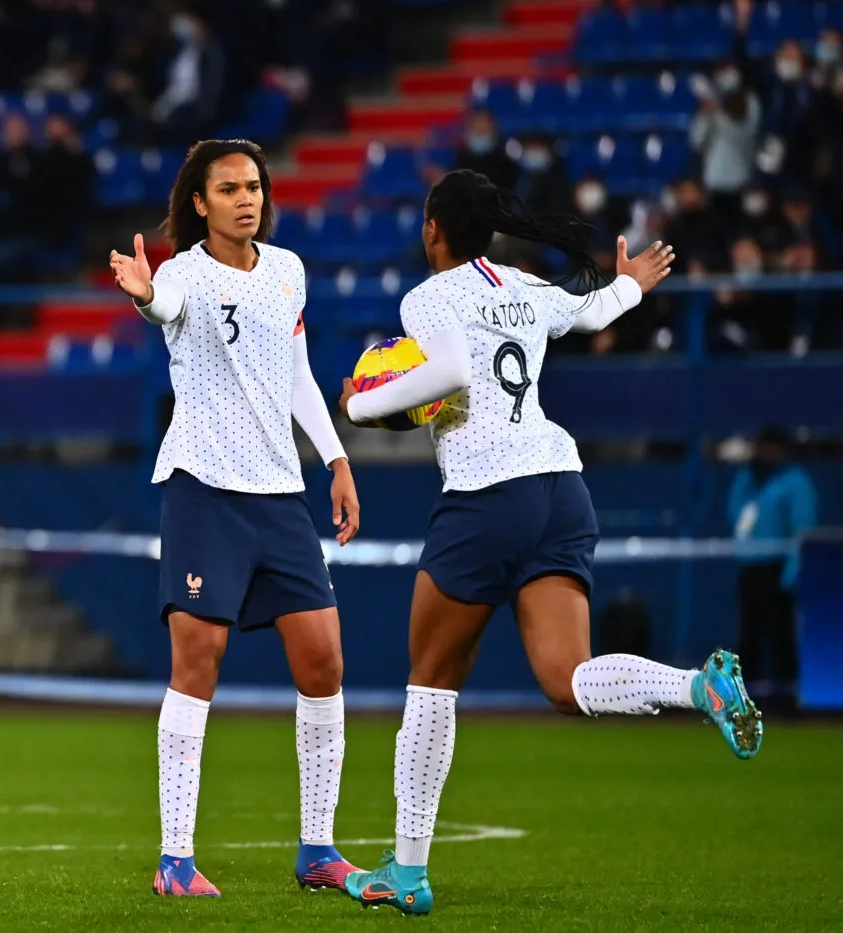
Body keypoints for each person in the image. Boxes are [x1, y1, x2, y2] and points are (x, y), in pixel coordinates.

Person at [333, 169, 762, 916]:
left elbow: (451, 372)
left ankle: (407, 872)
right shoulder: (525, 286)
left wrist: (362, 405)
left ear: (434, 228)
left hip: (486, 494)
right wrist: (629, 286)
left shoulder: (428, 297)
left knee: (431, 680)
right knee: (568, 679)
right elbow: (592, 315)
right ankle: (699, 686)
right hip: (562, 488)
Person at [108, 138, 362, 898]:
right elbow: (165, 308)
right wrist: (143, 295)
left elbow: (298, 374)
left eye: (253, 186)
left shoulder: (288, 270)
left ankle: (318, 849)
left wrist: (336, 459)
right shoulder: (182, 274)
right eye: (229, 189)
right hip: (204, 489)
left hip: (280, 495)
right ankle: (175, 861)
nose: (246, 199)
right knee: (200, 660)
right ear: (200, 202)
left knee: (324, 661)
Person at [728, 425, 817, 715]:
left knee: (781, 640)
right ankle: (743, 706)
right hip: (750, 568)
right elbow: (735, 514)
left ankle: (788, 705)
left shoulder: (795, 482)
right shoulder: (749, 480)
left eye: (770, 448)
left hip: (778, 570)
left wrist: (791, 574)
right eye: (761, 447)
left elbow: (803, 529)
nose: (764, 453)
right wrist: (746, 475)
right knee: (748, 638)